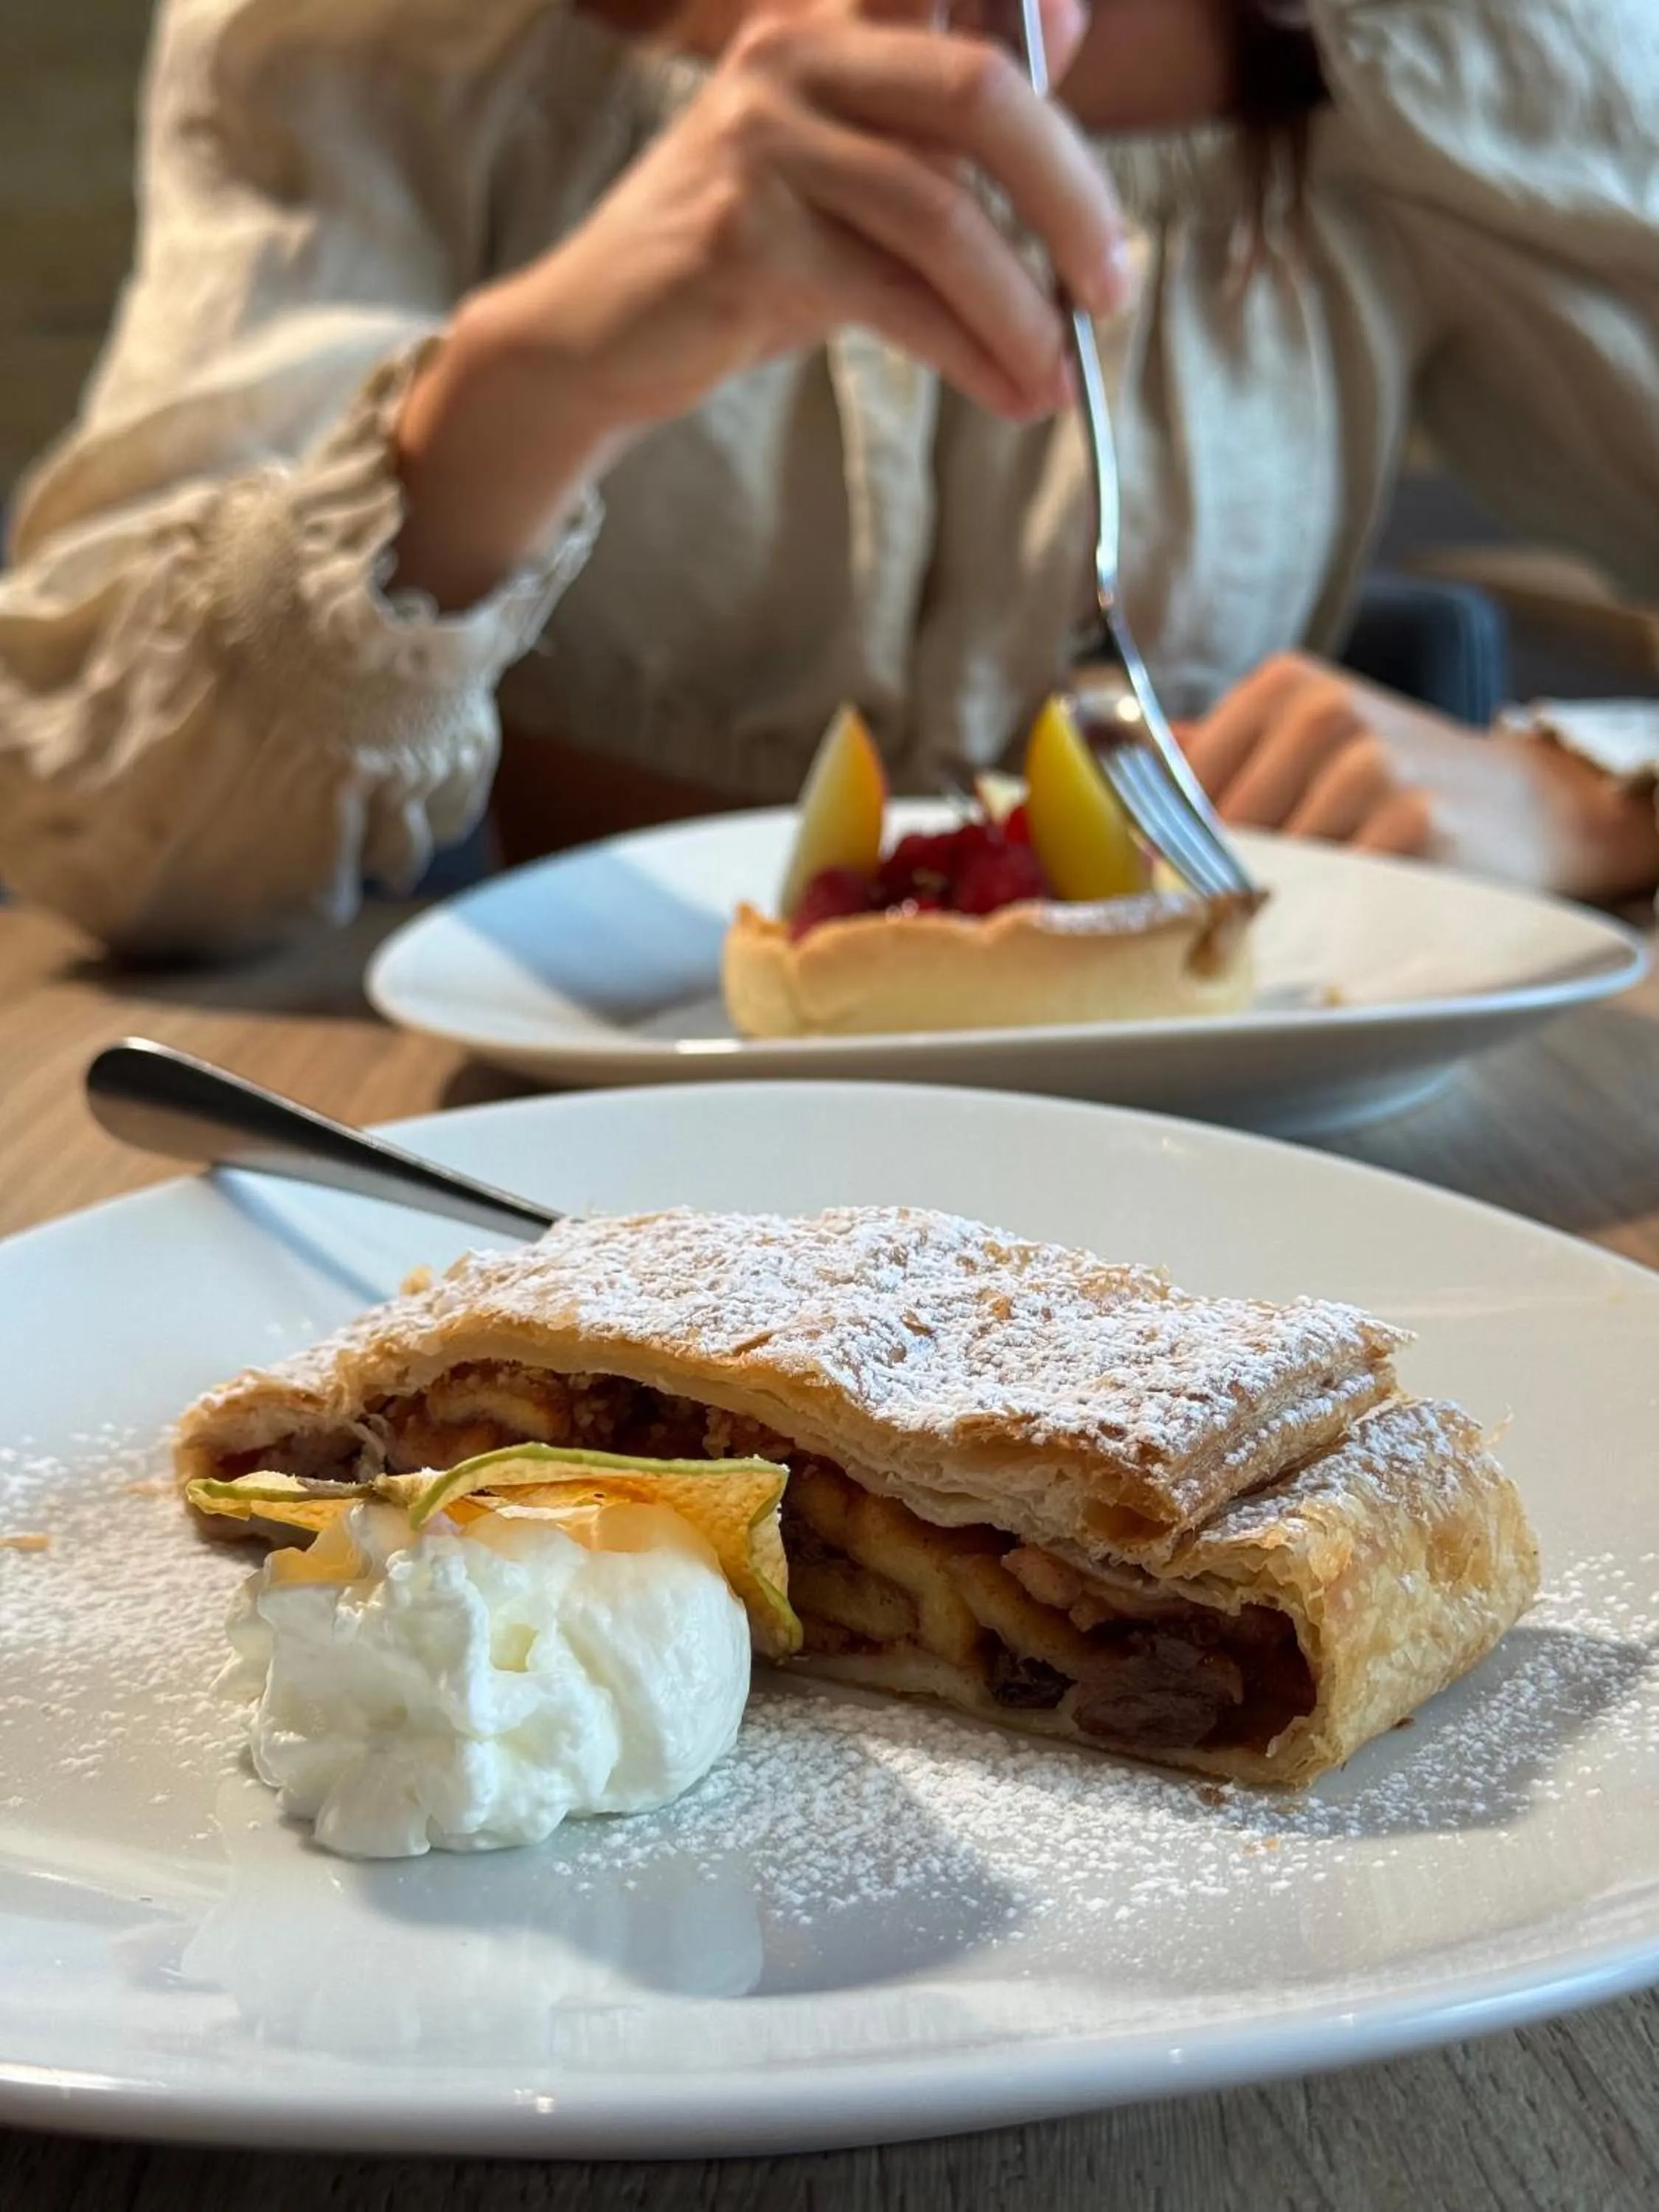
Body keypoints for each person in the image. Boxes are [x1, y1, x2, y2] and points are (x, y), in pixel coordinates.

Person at [0, 0, 1655, 958]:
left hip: (1265, 1162)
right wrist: (529, 384)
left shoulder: (1452, 46)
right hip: (544, 1172)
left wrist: (1592, 809)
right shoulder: (399, 41)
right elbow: (96, 820)